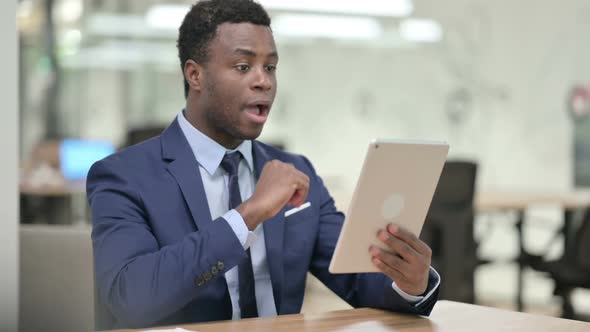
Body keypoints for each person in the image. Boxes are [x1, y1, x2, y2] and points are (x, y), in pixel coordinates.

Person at [87, 0, 440, 329]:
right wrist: (247, 216)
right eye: (243, 67)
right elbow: (130, 298)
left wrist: (410, 282)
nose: (264, 81)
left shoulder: (294, 171)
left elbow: (357, 280)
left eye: (270, 67)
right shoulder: (123, 177)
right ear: (195, 76)